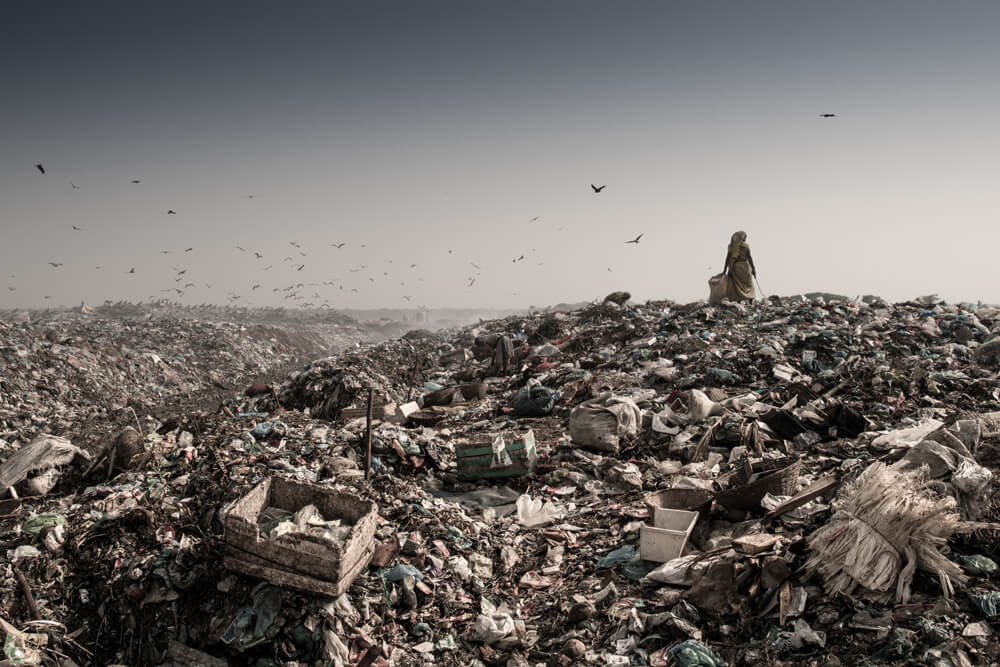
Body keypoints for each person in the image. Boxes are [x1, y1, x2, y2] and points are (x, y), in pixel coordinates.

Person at [723, 231, 756, 301]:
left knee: (736, 286)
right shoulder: (746, 246)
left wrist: (725, 270)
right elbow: (749, 257)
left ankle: (739, 300)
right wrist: (753, 269)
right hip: (745, 268)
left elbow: (728, 258)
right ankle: (750, 300)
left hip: (735, 268)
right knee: (748, 285)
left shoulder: (731, 246)